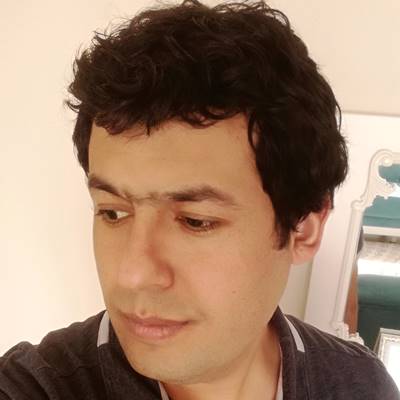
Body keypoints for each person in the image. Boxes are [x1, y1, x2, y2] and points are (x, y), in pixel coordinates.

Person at [1, 0, 399, 399]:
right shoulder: (37, 386)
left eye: (195, 221)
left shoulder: (362, 385)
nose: (132, 274)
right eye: (112, 213)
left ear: (303, 228)